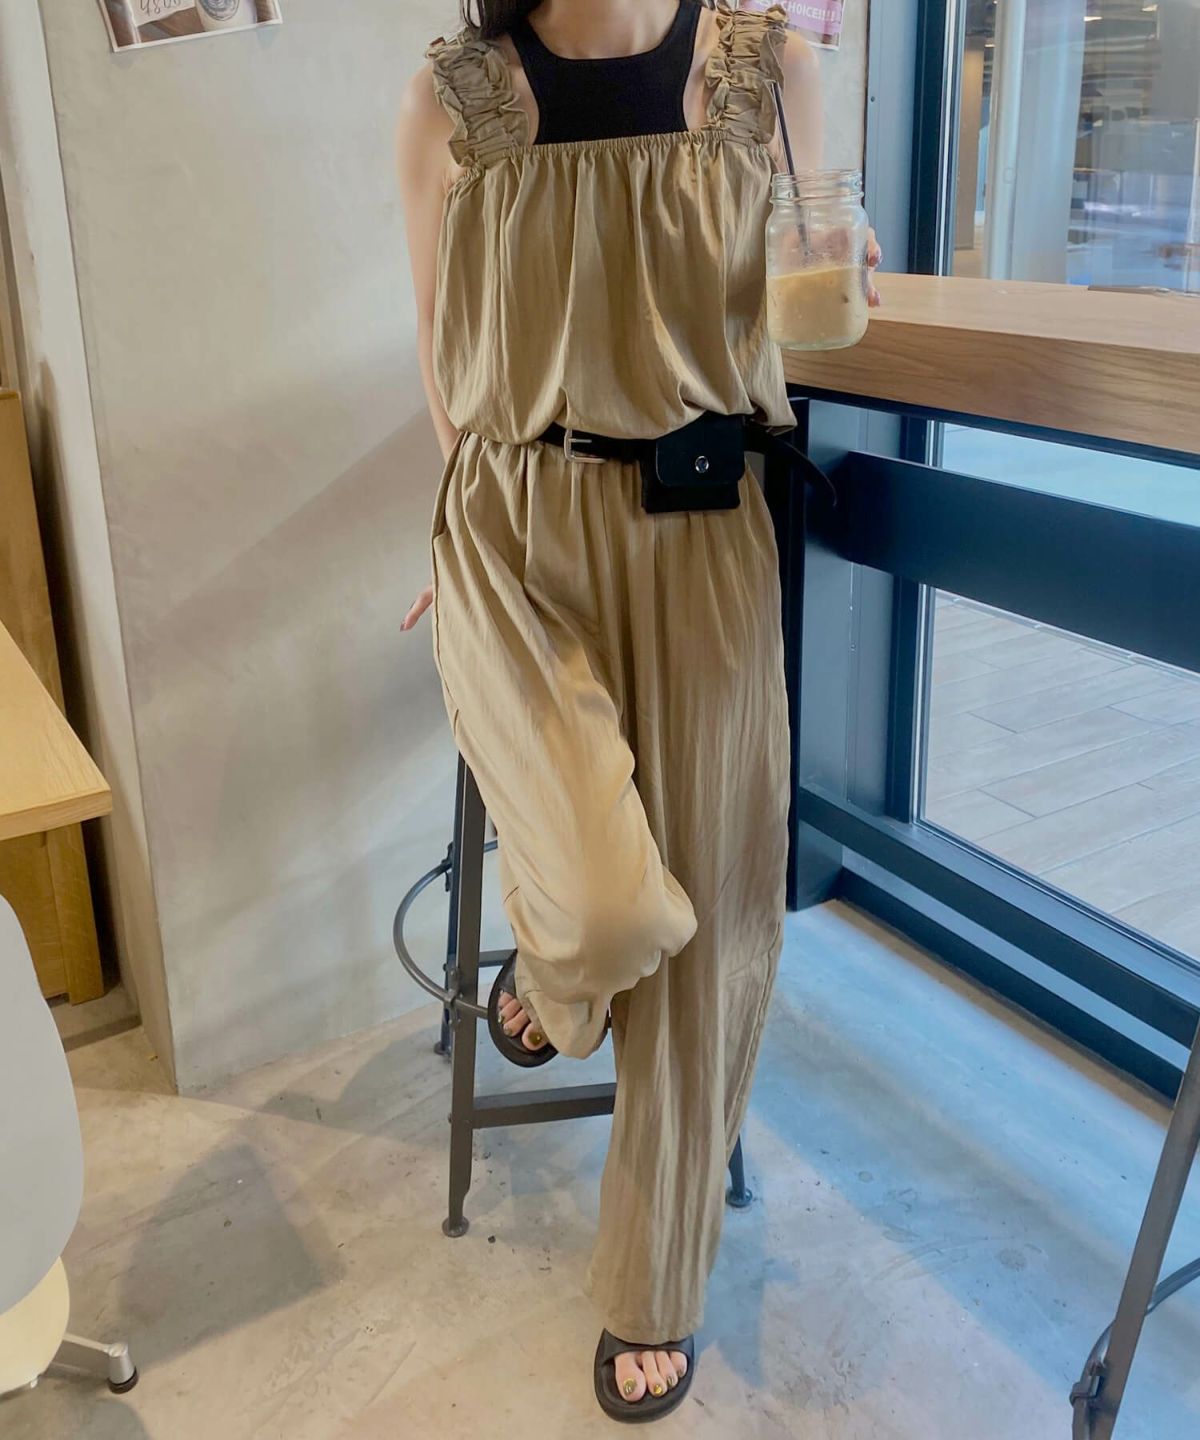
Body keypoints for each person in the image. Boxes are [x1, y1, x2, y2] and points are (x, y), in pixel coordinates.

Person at [396, 0, 880, 1420]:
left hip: (703, 530)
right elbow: (439, 352)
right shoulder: (452, 97)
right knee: (611, 913)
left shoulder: (773, 70)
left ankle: (656, 1283)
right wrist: (454, 527)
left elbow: (815, 285)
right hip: (515, 536)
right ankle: (554, 982)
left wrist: (842, 258)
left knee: (710, 925)